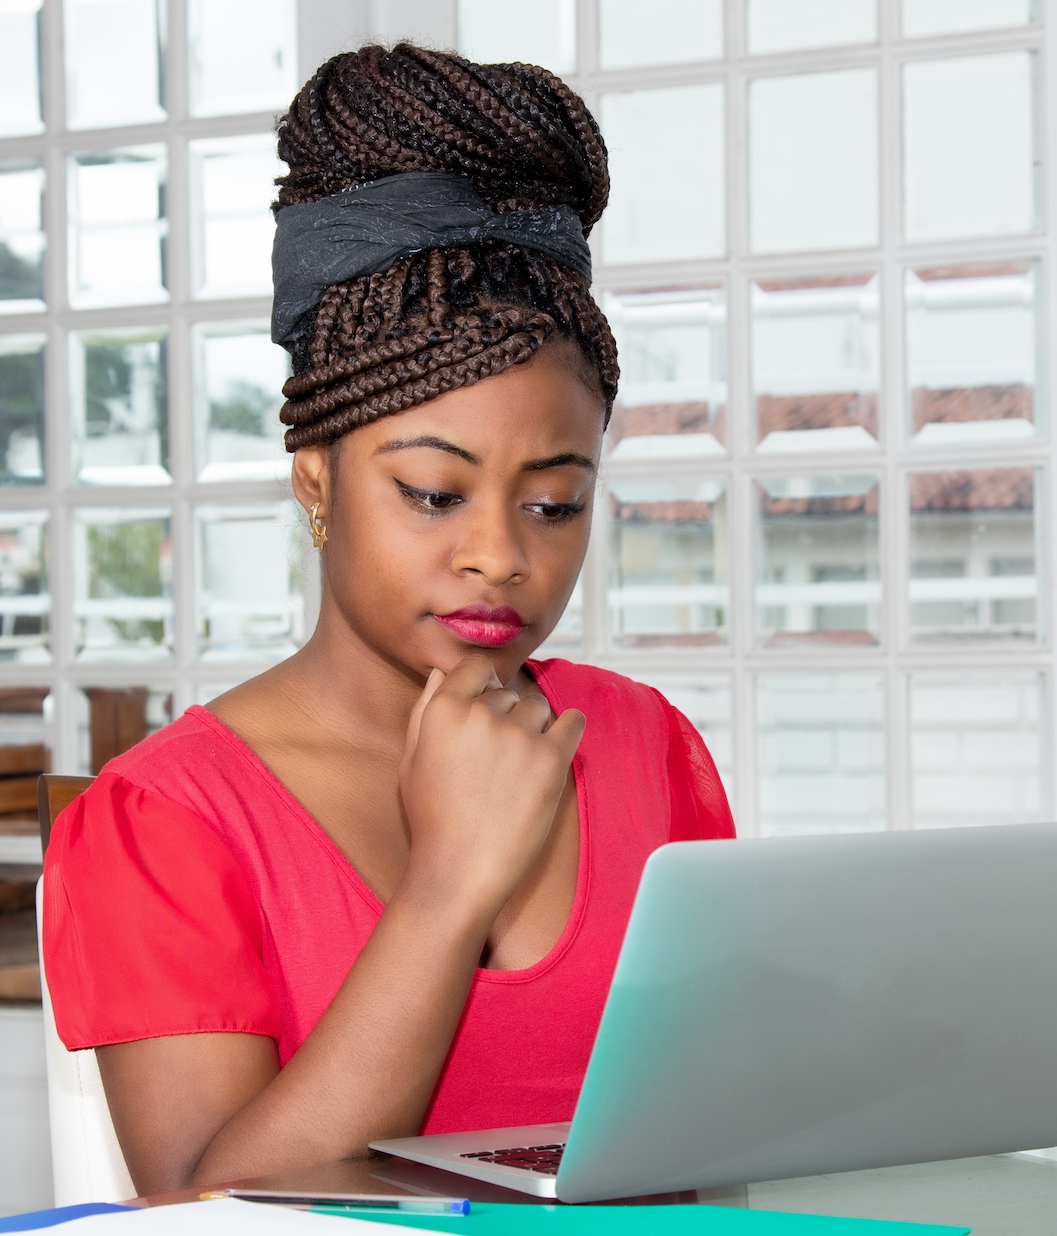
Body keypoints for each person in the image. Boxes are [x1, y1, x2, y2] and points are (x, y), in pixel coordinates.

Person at [42, 42, 734, 1196]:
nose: (501, 556)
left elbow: (724, 1124)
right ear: (315, 479)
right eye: (433, 492)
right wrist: (450, 881)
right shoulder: (166, 822)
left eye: (555, 502)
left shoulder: (646, 748)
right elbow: (210, 1215)